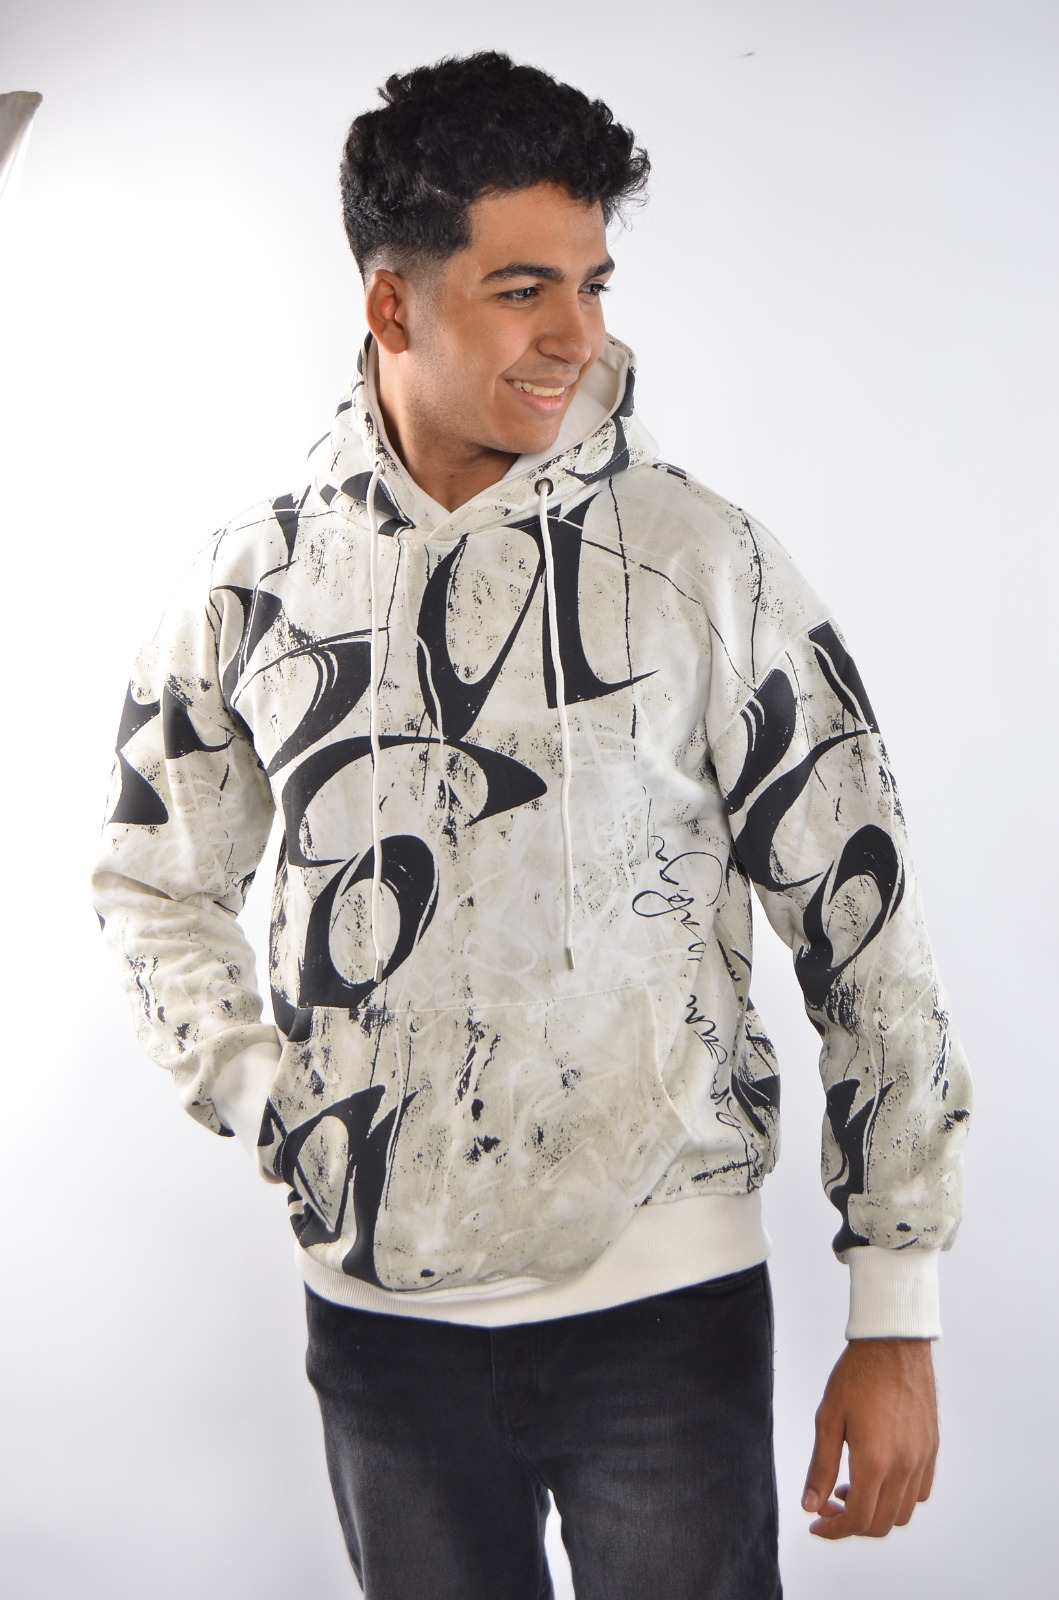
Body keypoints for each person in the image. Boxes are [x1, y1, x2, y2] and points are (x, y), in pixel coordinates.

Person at [91, 51, 971, 1600]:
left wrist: (894, 1310)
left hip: (664, 1321)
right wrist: (262, 1093)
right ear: (392, 304)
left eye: (592, 281)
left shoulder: (702, 564)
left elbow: (865, 932)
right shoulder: (254, 586)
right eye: (521, 289)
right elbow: (152, 885)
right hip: (380, 1339)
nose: (579, 334)